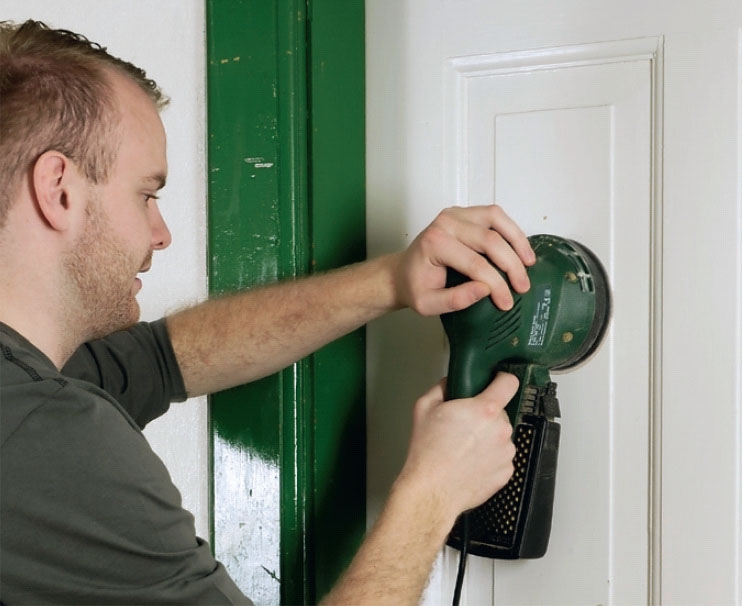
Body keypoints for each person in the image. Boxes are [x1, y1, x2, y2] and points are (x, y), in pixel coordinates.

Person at [0, 19, 535, 605]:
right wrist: (433, 492)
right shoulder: (50, 431)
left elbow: (164, 358)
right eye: (146, 195)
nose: (161, 233)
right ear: (58, 189)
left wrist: (391, 280)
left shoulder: (27, 392)